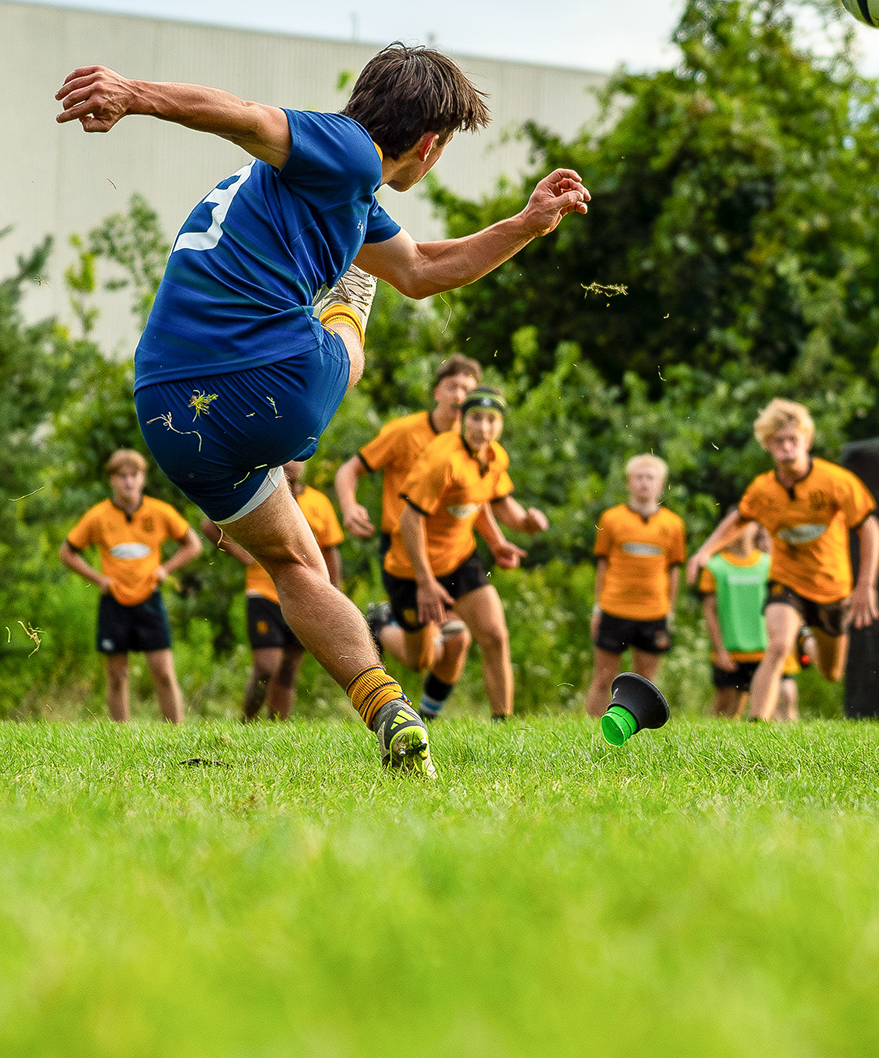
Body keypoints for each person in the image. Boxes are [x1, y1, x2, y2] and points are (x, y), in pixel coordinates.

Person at [58, 43, 589, 775]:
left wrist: (525, 225)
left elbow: (428, 269)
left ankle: (388, 711)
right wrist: (131, 92)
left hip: (166, 411)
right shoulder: (348, 149)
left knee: (297, 562)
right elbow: (243, 114)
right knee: (350, 321)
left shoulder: (324, 189)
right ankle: (347, 307)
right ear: (428, 145)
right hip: (271, 384)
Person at [685, 399, 879, 721]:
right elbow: (740, 518)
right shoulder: (764, 489)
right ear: (768, 445)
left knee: (831, 672)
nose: (787, 447)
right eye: (779, 441)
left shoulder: (835, 481)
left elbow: (870, 527)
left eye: (793, 439)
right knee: (777, 646)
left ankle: (808, 639)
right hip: (787, 579)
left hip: (831, 585)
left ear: (806, 441)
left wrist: (866, 585)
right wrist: (706, 550)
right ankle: (756, 727)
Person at [335, 355, 521, 683]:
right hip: (405, 553)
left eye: (468, 389)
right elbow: (350, 469)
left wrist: (497, 541)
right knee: (424, 658)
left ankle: (448, 719)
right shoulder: (405, 432)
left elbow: (476, 499)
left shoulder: (479, 444)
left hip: (454, 554)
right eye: (453, 387)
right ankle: (381, 623)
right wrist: (349, 507)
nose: (460, 395)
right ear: (437, 392)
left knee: (468, 639)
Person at [398, 387, 549, 722]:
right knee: (420, 659)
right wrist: (424, 581)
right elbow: (409, 519)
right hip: (412, 566)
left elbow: (495, 501)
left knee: (495, 635)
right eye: (476, 418)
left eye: (492, 420)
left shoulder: (494, 456)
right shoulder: (443, 459)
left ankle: (503, 723)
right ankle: (381, 624)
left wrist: (524, 523)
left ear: (501, 425)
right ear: (462, 420)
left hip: (460, 558)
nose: (484, 428)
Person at [58, 449, 203, 724]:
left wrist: (165, 569)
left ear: (143, 479)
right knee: (116, 674)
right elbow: (67, 553)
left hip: (149, 598)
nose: (128, 482)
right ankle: (120, 735)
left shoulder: (159, 512)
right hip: (114, 600)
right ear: (112, 480)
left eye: (133, 476)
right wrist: (98, 579)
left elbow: (193, 544)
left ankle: (176, 731)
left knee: (162, 671)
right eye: (121, 476)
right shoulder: (98, 516)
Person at [200, 460, 343, 721]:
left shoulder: (319, 503)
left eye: (298, 458)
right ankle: (248, 722)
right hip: (263, 591)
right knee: (267, 666)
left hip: (306, 594)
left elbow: (331, 550)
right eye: (286, 457)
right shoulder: (256, 493)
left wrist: (334, 591)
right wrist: (240, 553)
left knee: (288, 668)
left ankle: (278, 728)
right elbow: (209, 523)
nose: (291, 463)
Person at [586, 454, 688, 717]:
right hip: (614, 608)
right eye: (639, 477)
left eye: (650, 477)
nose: (644, 483)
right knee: (604, 678)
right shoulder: (610, 519)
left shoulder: (673, 524)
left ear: (660, 484)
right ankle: (592, 731)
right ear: (629, 482)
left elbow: (674, 571)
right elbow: (602, 566)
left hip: (653, 612)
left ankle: (636, 734)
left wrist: (670, 610)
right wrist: (597, 608)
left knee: (645, 683)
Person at [700, 523, 797, 719]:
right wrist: (719, 651)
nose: (740, 529)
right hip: (732, 652)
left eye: (745, 524)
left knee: (783, 699)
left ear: (756, 529)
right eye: (735, 524)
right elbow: (710, 611)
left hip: (766, 651)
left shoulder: (769, 564)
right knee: (726, 710)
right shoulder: (715, 567)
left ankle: (786, 747)